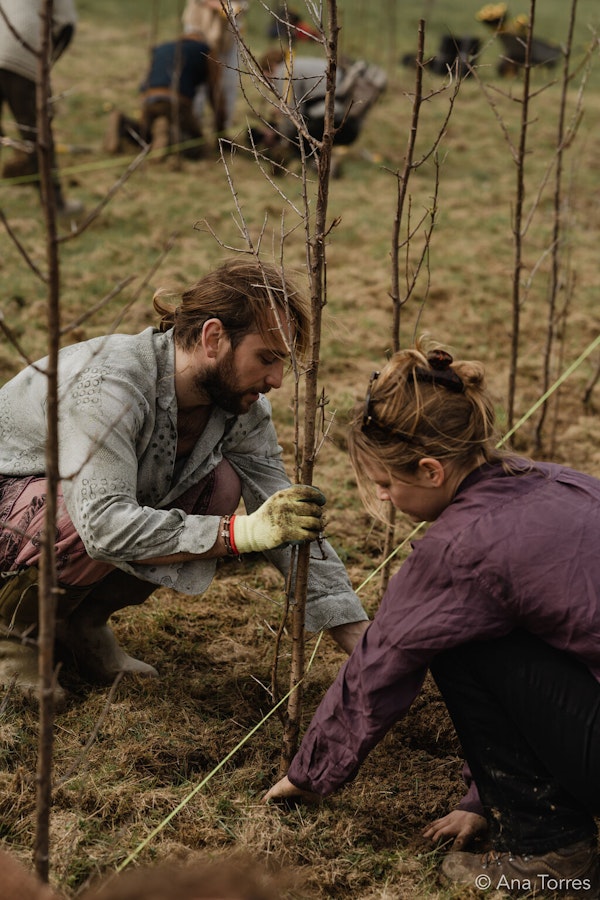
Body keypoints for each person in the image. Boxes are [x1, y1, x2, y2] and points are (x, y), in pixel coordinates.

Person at [264, 339, 600, 897]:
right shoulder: (555, 481)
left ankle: (550, 858)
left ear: (430, 470)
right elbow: (553, 662)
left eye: (387, 483)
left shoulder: (458, 548)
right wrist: (482, 796)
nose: (382, 496)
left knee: (454, 641)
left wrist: (309, 774)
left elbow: (382, 663)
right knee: (489, 630)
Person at [0, 258, 368, 704]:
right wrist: (240, 532)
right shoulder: (109, 385)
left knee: (220, 486)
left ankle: (80, 622)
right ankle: (12, 639)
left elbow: (287, 517)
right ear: (213, 338)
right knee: (81, 512)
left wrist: (363, 643)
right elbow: (102, 523)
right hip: (16, 503)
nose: (276, 379)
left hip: (65, 516)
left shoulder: (239, 410)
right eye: (266, 358)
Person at [0, 0, 82, 217]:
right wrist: (45, 69)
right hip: (23, 47)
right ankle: (55, 204)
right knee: (37, 131)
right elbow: (66, 23)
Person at [250, 48, 386, 172]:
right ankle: (325, 164)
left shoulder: (283, 70)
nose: (269, 83)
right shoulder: (302, 64)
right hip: (348, 123)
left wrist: (280, 140)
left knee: (298, 138)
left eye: (266, 77)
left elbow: (291, 118)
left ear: (271, 66)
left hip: (330, 121)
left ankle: (325, 166)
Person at [104, 31, 225, 161]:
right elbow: (215, 94)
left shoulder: (161, 48)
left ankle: (123, 123)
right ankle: (168, 133)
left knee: (147, 136)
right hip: (177, 99)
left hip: (148, 98)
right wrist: (221, 132)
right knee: (198, 146)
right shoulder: (206, 51)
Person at [181, 0, 248, 133]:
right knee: (196, 81)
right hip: (199, 24)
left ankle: (223, 132)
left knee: (228, 82)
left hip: (228, 30)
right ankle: (193, 129)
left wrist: (234, 8)